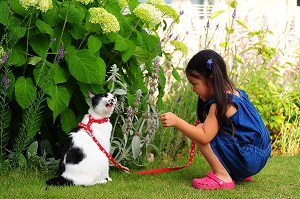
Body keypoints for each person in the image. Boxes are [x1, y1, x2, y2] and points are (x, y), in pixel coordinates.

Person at [160, 49, 271, 190]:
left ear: (211, 79)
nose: (193, 90)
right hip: (261, 155)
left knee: (201, 130)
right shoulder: (236, 93)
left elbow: (205, 136)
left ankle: (222, 176)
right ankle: (238, 172)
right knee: (207, 128)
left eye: (194, 84)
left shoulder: (220, 104)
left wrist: (177, 121)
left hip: (248, 160)